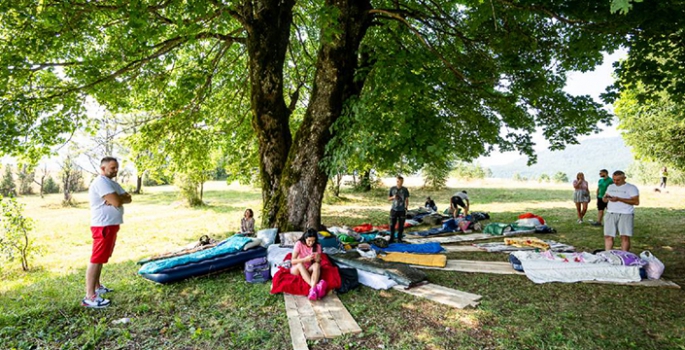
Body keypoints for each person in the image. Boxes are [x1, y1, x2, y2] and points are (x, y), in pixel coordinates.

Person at [83, 157, 132, 308]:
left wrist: (117, 198)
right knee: (96, 259)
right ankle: (90, 296)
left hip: (111, 225)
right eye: (112, 168)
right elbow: (118, 201)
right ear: (103, 168)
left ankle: (97, 287)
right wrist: (117, 198)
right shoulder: (101, 182)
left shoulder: (112, 183)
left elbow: (128, 198)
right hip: (102, 226)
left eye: (116, 167)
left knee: (102, 257)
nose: (116, 170)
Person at [603, 170, 640, 252]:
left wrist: (619, 199)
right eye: (614, 179)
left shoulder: (631, 188)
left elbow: (636, 202)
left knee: (624, 236)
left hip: (625, 214)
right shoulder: (611, 187)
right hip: (611, 213)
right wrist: (606, 198)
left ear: (624, 178)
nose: (615, 181)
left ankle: (624, 255)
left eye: (618, 180)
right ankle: (608, 254)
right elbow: (604, 199)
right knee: (608, 236)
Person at [291, 229, 326, 301]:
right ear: (305, 238)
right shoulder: (299, 244)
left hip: (308, 268)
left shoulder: (317, 246)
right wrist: (305, 259)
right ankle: (315, 288)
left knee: (316, 265)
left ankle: (313, 291)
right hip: (296, 268)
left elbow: (318, 262)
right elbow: (293, 261)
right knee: (300, 264)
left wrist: (318, 259)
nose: (311, 243)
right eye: (309, 241)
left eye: (313, 241)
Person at [387, 176, 410, 243]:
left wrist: (406, 207)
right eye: (400, 181)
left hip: (402, 210)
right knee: (392, 225)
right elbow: (388, 198)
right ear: (397, 181)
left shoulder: (405, 189)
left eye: (402, 181)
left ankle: (399, 238)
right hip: (394, 209)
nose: (401, 183)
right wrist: (393, 197)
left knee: (401, 226)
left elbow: (406, 199)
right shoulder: (392, 189)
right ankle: (391, 238)